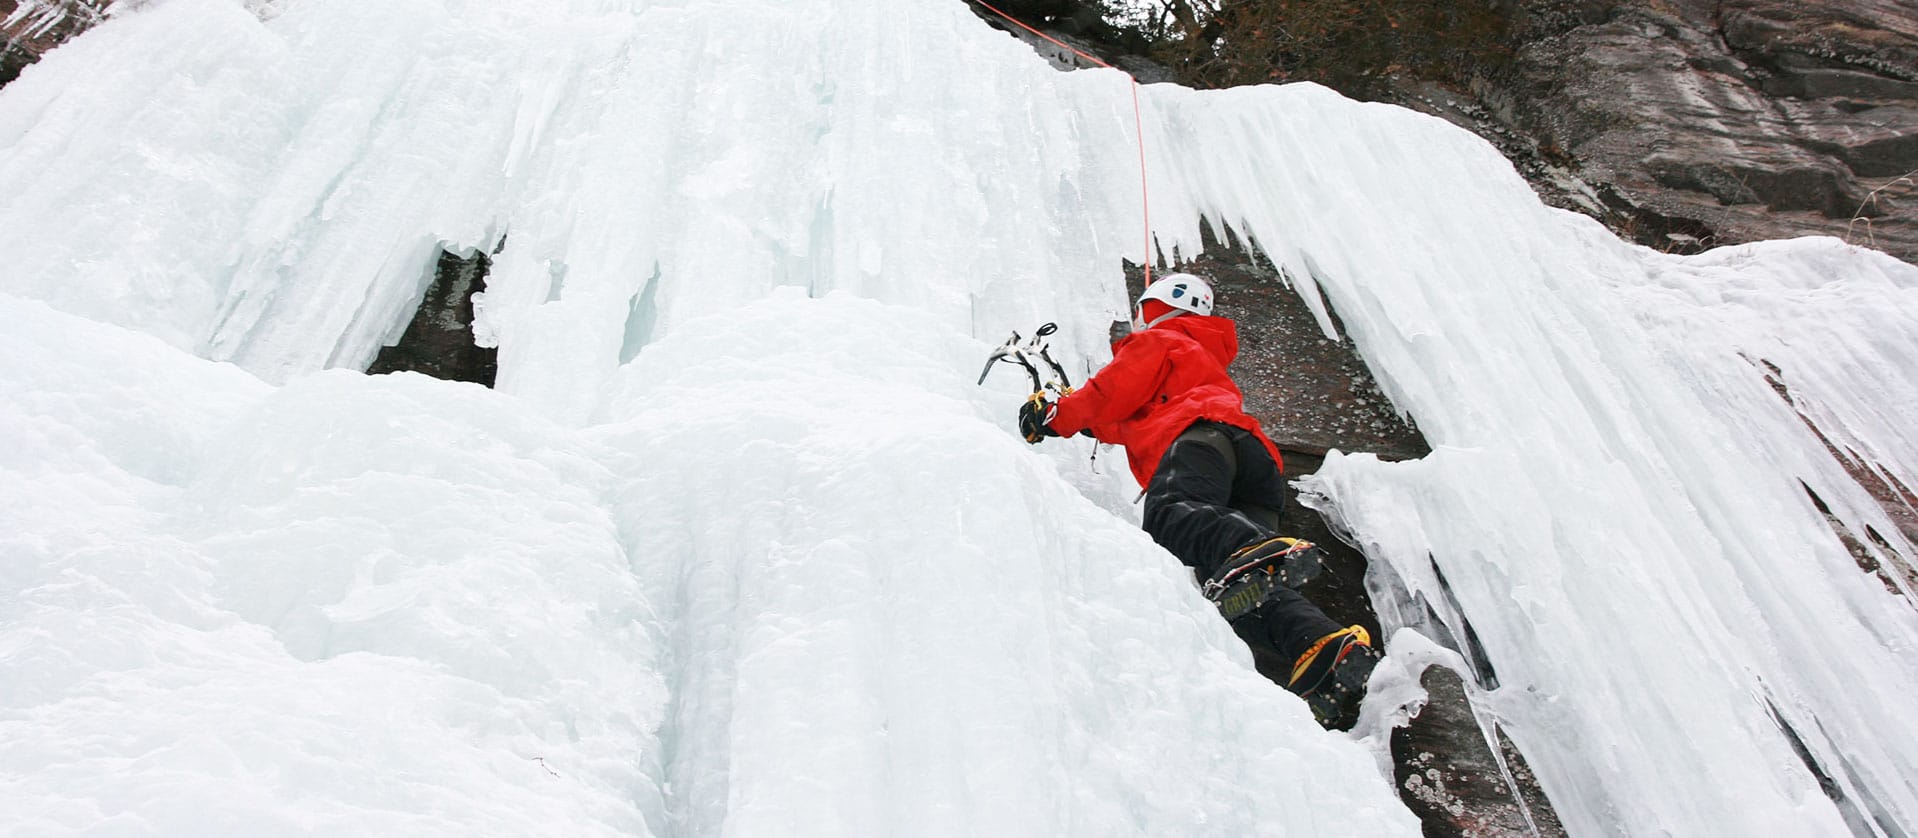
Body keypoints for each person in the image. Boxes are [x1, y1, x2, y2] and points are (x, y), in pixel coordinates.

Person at [1018, 272, 1377, 729]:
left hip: (1201, 441)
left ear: (1156, 308)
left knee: (1171, 518)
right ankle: (1322, 644)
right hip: (1253, 466)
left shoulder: (1161, 340)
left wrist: (1056, 415)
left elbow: (1111, 392)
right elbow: (1120, 417)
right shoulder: (1199, 357)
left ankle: (1253, 548)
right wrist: (1073, 421)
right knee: (1230, 586)